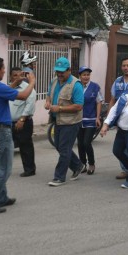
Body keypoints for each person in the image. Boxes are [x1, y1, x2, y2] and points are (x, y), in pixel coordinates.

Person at [0, 56, 34, 215]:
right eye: (3, 69)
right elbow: (23, 96)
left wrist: (14, 84)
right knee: (2, 170)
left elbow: (4, 93)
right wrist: (31, 83)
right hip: (0, 133)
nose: (5, 71)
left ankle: (1, 197)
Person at [45, 57, 84, 187]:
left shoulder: (76, 84)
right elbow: (49, 93)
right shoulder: (54, 81)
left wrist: (60, 108)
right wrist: (48, 101)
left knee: (64, 149)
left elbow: (78, 106)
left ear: (69, 70)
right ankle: (78, 165)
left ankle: (59, 177)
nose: (59, 74)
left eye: (62, 71)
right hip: (57, 120)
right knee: (58, 146)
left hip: (71, 122)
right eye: (58, 71)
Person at [9, 67, 37, 177]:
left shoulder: (28, 89)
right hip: (9, 122)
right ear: (11, 77)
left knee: (25, 146)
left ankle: (29, 169)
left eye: (20, 75)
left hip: (23, 122)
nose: (18, 77)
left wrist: (22, 119)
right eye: (15, 75)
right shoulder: (8, 88)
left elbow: (29, 105)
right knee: (4, 147)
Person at [76, 66, 103, 175]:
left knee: (87, 143)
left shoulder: (95, 87)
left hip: (91, 119)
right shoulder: (76, 86)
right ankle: (82, 164)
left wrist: (98, 117)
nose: (86, 77)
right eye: (84, 75)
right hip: (78, 119)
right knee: (80, 144)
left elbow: (99, 102)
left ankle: (91, 163)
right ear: (80, 76)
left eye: (88, 74)